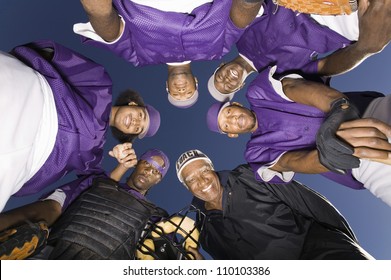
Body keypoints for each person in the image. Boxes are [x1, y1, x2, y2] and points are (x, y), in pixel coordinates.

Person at [0, 40, 160, 212]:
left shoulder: (93, 153)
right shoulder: (101, 84)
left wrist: (123, 165)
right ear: (133, 104)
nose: (136, 123)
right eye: (141, 116)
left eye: (138, 129)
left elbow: (96, 186)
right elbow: (54, 55)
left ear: (127, 134)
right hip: (36, 101)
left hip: (30, 159)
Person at [206, 66, 391, 206]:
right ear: (232, 134)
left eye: (229, 112)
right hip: (356, 157)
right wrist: (326, 155)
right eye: (226, 125)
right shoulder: (256, 153)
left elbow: (293, 86)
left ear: (237, 105)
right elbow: (290, 162)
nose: (233, 119)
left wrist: (339, 106)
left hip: (367, 110)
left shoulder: (257, 93)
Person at [175, 149, 373, 259]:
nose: (201, 181)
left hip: (320, 251)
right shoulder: (205, 233)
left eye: (203, 171)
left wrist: (347, 244)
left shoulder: (248, 176)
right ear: (187, 188)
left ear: (212, 169)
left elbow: (305, 200)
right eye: (191, 179)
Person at [0, 149, 191, 260]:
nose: (149, 172)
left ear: (158, 180)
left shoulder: (158, 216)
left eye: (156, 172)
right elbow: (53, 206)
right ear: (137, 164)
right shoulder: (95, 182)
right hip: (51, 252)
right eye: (147, 165)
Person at [74, 0, 263, 108]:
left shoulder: (140, 58)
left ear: (167, 86)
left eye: (176, 95)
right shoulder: (216, 52)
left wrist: (98, 11)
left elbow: (114, 36)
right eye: (188, 93)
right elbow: (236, 24)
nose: (182, 92)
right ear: (196, 82)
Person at [207, 0, 391, 101]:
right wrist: (364, 49)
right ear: (239, 87)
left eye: (219, 79)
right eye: (228, 88)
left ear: (220, 66)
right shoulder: (274, 77)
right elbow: (325, 65)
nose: (227, 80)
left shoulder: (238, 34)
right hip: (337, 26)